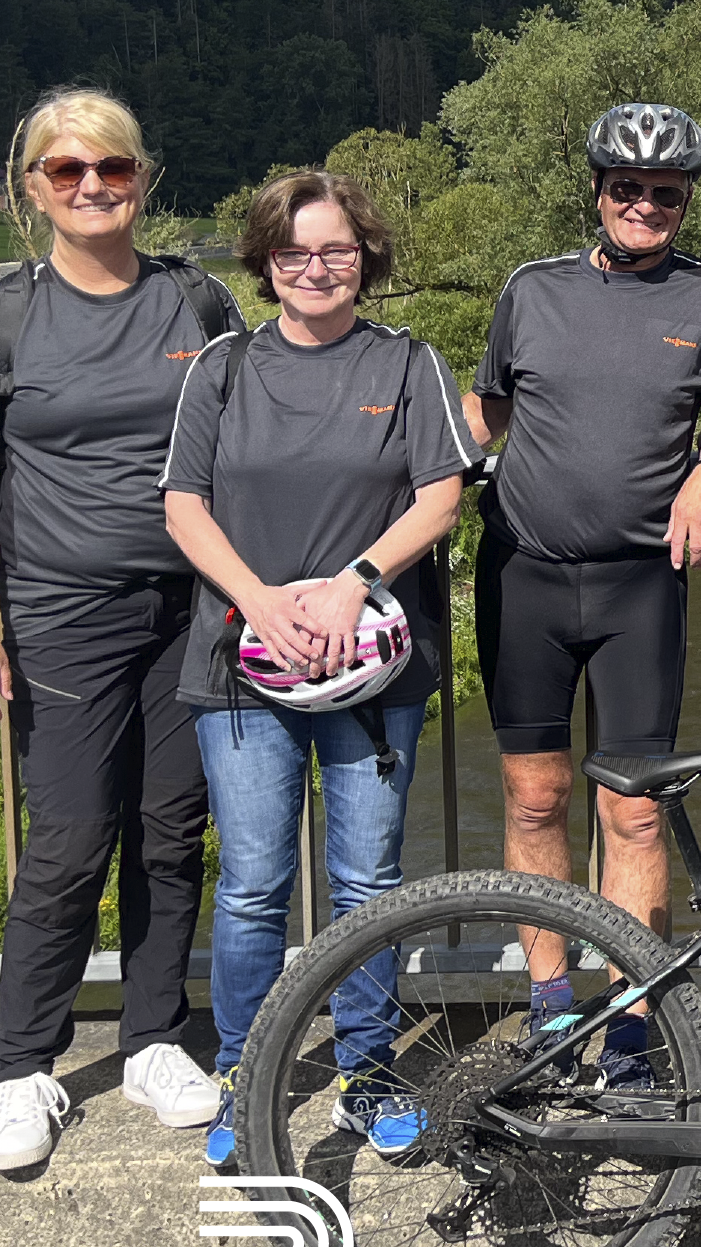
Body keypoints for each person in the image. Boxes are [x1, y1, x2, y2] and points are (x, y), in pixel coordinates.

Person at [163, 171, 475, 1165]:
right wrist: (258, 599)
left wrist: (353, 583)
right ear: (266, 261)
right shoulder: (222, 368)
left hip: (373, 674)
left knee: (367, 881)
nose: (315, 268)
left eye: (335, 249)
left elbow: (440, 495)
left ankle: (367, 1072)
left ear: (364, 255)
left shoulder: (408, 360)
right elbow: (182, 504)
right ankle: (245, 1076)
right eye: (293, 252)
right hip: (243, 668)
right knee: (253, 883)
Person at [463, 103, 701, 1091]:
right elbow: (485, 412)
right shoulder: (532, 289)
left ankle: (631, 1030)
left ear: (686, 201)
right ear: (596, 190)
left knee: (632, 814)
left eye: (665, 193)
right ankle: (552, 1012)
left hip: (640, 584)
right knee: (534, 795)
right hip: (523, 574)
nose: (644, 205)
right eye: (626, 187)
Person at [0, 90, 242, 1170]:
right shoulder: (12, 312)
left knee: (170, 827)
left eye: (113, 168)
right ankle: (21, 1061)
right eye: (67, 169)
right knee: (67, 836)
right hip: (58, 610)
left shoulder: (196, 299)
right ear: (33, 188)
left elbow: (255, 433)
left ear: (144, 178)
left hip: (192, 610)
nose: (92, 185)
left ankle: (152, 1039)